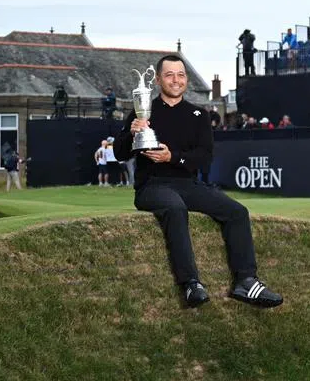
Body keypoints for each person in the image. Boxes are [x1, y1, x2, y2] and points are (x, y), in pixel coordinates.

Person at [113, 54, 282, 310]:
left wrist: (172, 157)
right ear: (158, 80)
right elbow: (120, 153)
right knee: (175, 208)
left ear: (187, 79)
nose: (176, 80)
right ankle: (191, 283)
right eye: (169, 75)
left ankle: (245, 281)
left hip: (187, 185)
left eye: (180, 75)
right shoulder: (142, 111)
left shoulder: (198, 115)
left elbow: (203, 159)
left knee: (237, 212)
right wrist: (132, 132)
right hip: (152, 186)